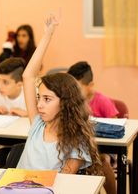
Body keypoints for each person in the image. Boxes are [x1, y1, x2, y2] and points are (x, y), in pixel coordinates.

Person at [17, 16, 102, 176]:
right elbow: (28, 76)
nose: (39, 105)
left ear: (65, 103)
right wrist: (47, 35)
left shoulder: (76, 141)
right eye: (39, 97)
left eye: (47, 99)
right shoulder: (38, 125)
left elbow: (63, 183)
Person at [67, 61, 118, 194]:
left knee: (102, 161)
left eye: (77, 87)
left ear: (90, 86)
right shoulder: (71, 103)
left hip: (103, 148)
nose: (73, 92)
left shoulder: (102, 101)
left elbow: (115, 126)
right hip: (80, 146)